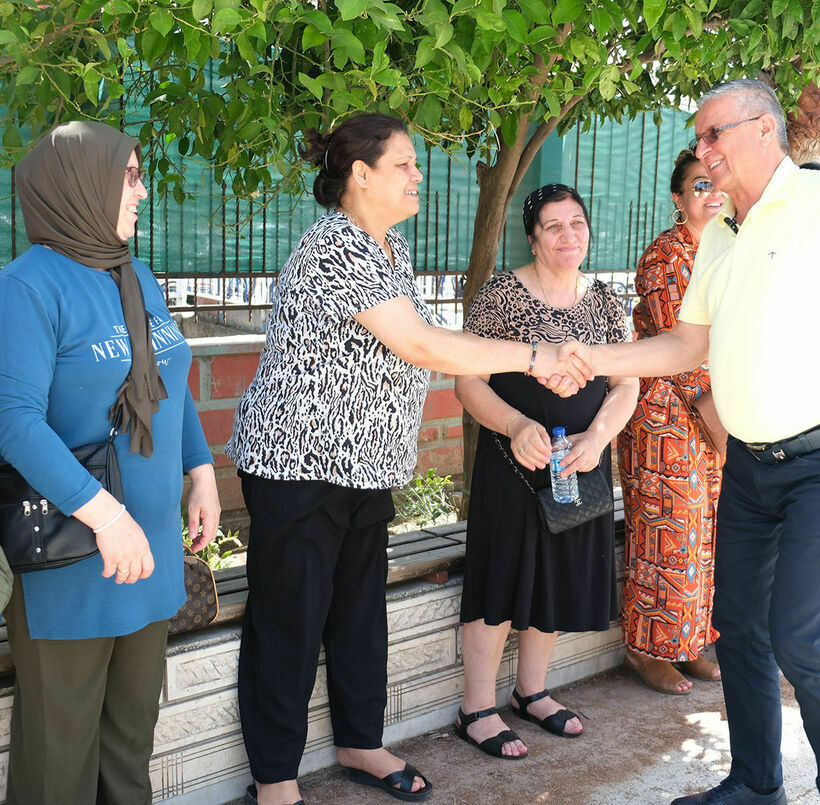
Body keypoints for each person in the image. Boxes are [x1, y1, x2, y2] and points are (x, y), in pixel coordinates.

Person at [568, 78, 820, 805]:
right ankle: (757, 785)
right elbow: (683, 345)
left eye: (715, 133)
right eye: (698, 138)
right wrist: (590, 358)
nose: (703, 149)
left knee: (802, 639)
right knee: (735, 626)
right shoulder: (721, 234)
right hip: (750, 463)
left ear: (765, 129)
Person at [225, 114, 589, 805]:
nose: (418, 175)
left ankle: (360, 741)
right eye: (404, 164)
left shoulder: (389, 247)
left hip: (364, 467)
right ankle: (275, 780)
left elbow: (415, 340)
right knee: (289, 624)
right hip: (298, 467)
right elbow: (421, 344)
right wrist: (534, 356)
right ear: (361, 175)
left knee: (359, 615)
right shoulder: (334, 246)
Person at [0, 121, 220, 804]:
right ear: (80, 185)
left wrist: (200, 471)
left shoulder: (133, 274)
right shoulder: (24, 290)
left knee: (130, 743)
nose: (141, 191)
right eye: (128, 177)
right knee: (60, 760)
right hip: (73, 552)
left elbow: (165, 381)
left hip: (150, 546)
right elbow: (14, 422)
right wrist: (107, 518)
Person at [453, 184, 636, 760]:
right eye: (553, 226)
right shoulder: (502, 295)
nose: (567, 235)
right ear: (532, 238)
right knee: (500, 579)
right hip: (514, 464)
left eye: (576, 223)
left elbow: (627, 382)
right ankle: (475, 708)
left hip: (578, 465)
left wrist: (598, 438)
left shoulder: (604, 302)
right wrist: (514, 425)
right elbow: (467, 379)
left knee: (553, 576)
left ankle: (531, 692)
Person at [617, 151, 729, 695]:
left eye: (717, 183)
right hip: (667, 413)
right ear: (678, 198)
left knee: (703, 532)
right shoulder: (668, 255)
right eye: (699, 185)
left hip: (714, 408)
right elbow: (680, 348)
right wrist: (720, 419)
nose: (712, 194)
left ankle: (690, 643)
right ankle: (646, 649)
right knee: (665, 532)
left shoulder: (726, 248)